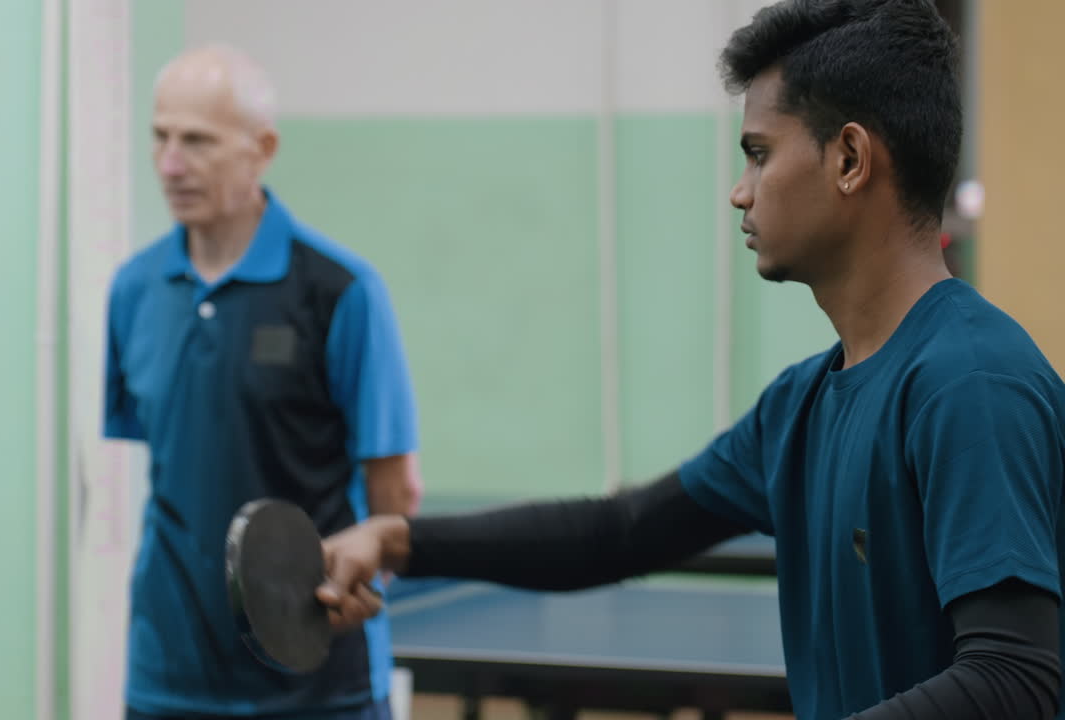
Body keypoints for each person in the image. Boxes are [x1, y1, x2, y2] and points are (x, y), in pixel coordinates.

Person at [316, 1, 1065, 718]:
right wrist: (401, 540)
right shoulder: (799, 405)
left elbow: (1014, 679)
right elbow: (624, 531)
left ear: (849, 158)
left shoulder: (969, 384)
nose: (740, 193)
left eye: (759, 154)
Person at [104, 45, 421, 720]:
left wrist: (323, 602)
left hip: (316, 683)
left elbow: (396, 492)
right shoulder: (133, 289)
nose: (169, 164)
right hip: (168, 676)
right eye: (159, 137)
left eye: (197, 141)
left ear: (262, 147)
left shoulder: (342, 291)